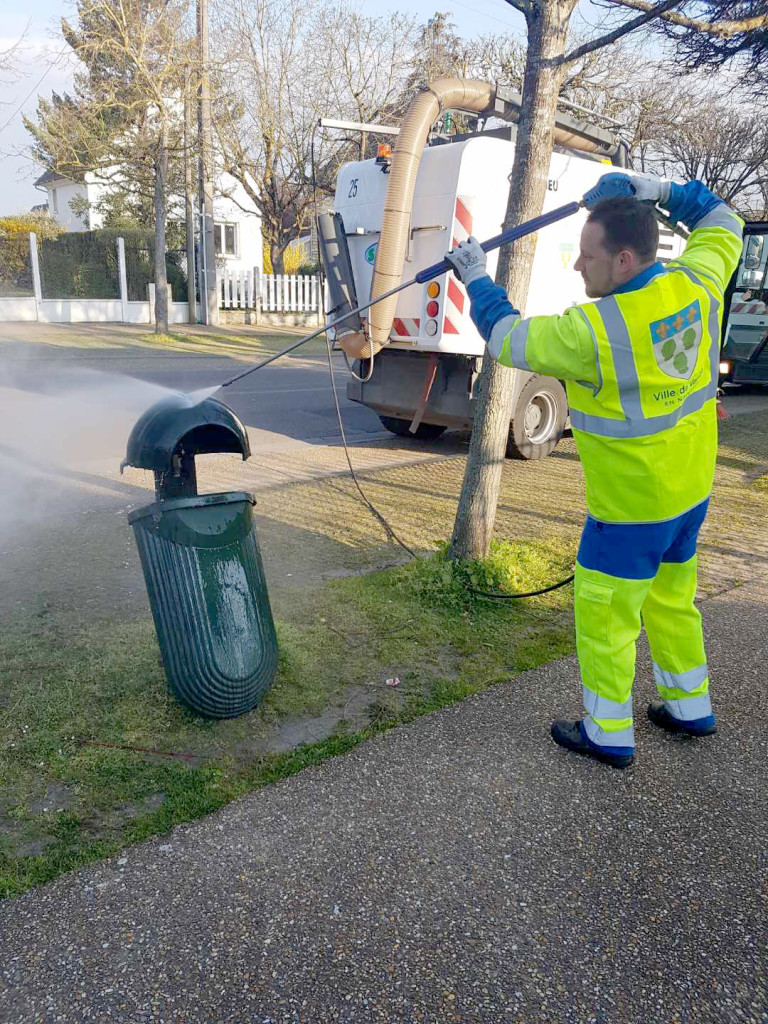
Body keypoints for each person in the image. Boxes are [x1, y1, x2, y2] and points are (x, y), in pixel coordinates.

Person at [445, 173, 744, 769]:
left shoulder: (594, 332)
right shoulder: (699, 283)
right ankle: (689, 707)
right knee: (671, 601)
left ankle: (607, 732)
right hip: (690, 497)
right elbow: (726, 221)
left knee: (607, 618)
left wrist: (476, 276)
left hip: (630, 511)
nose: (579, 266)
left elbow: (507, 337)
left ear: (625, 258)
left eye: (588, 256)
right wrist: (652, 186)